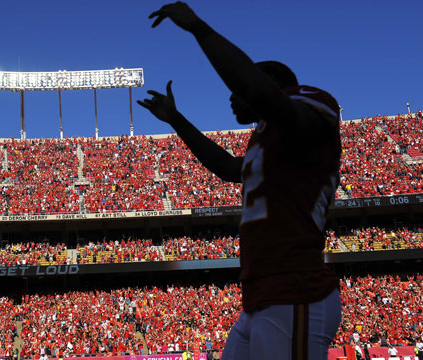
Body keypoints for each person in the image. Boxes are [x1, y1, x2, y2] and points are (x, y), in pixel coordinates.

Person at [139, 2, 342, 359]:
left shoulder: (308, 105)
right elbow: (229, 169)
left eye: (239, 90)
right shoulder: (267, 135)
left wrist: (199, 29)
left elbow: (260, 93)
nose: (232, 97)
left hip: (296, 290)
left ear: (273, 83)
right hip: (261, 296)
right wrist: (177, 120)